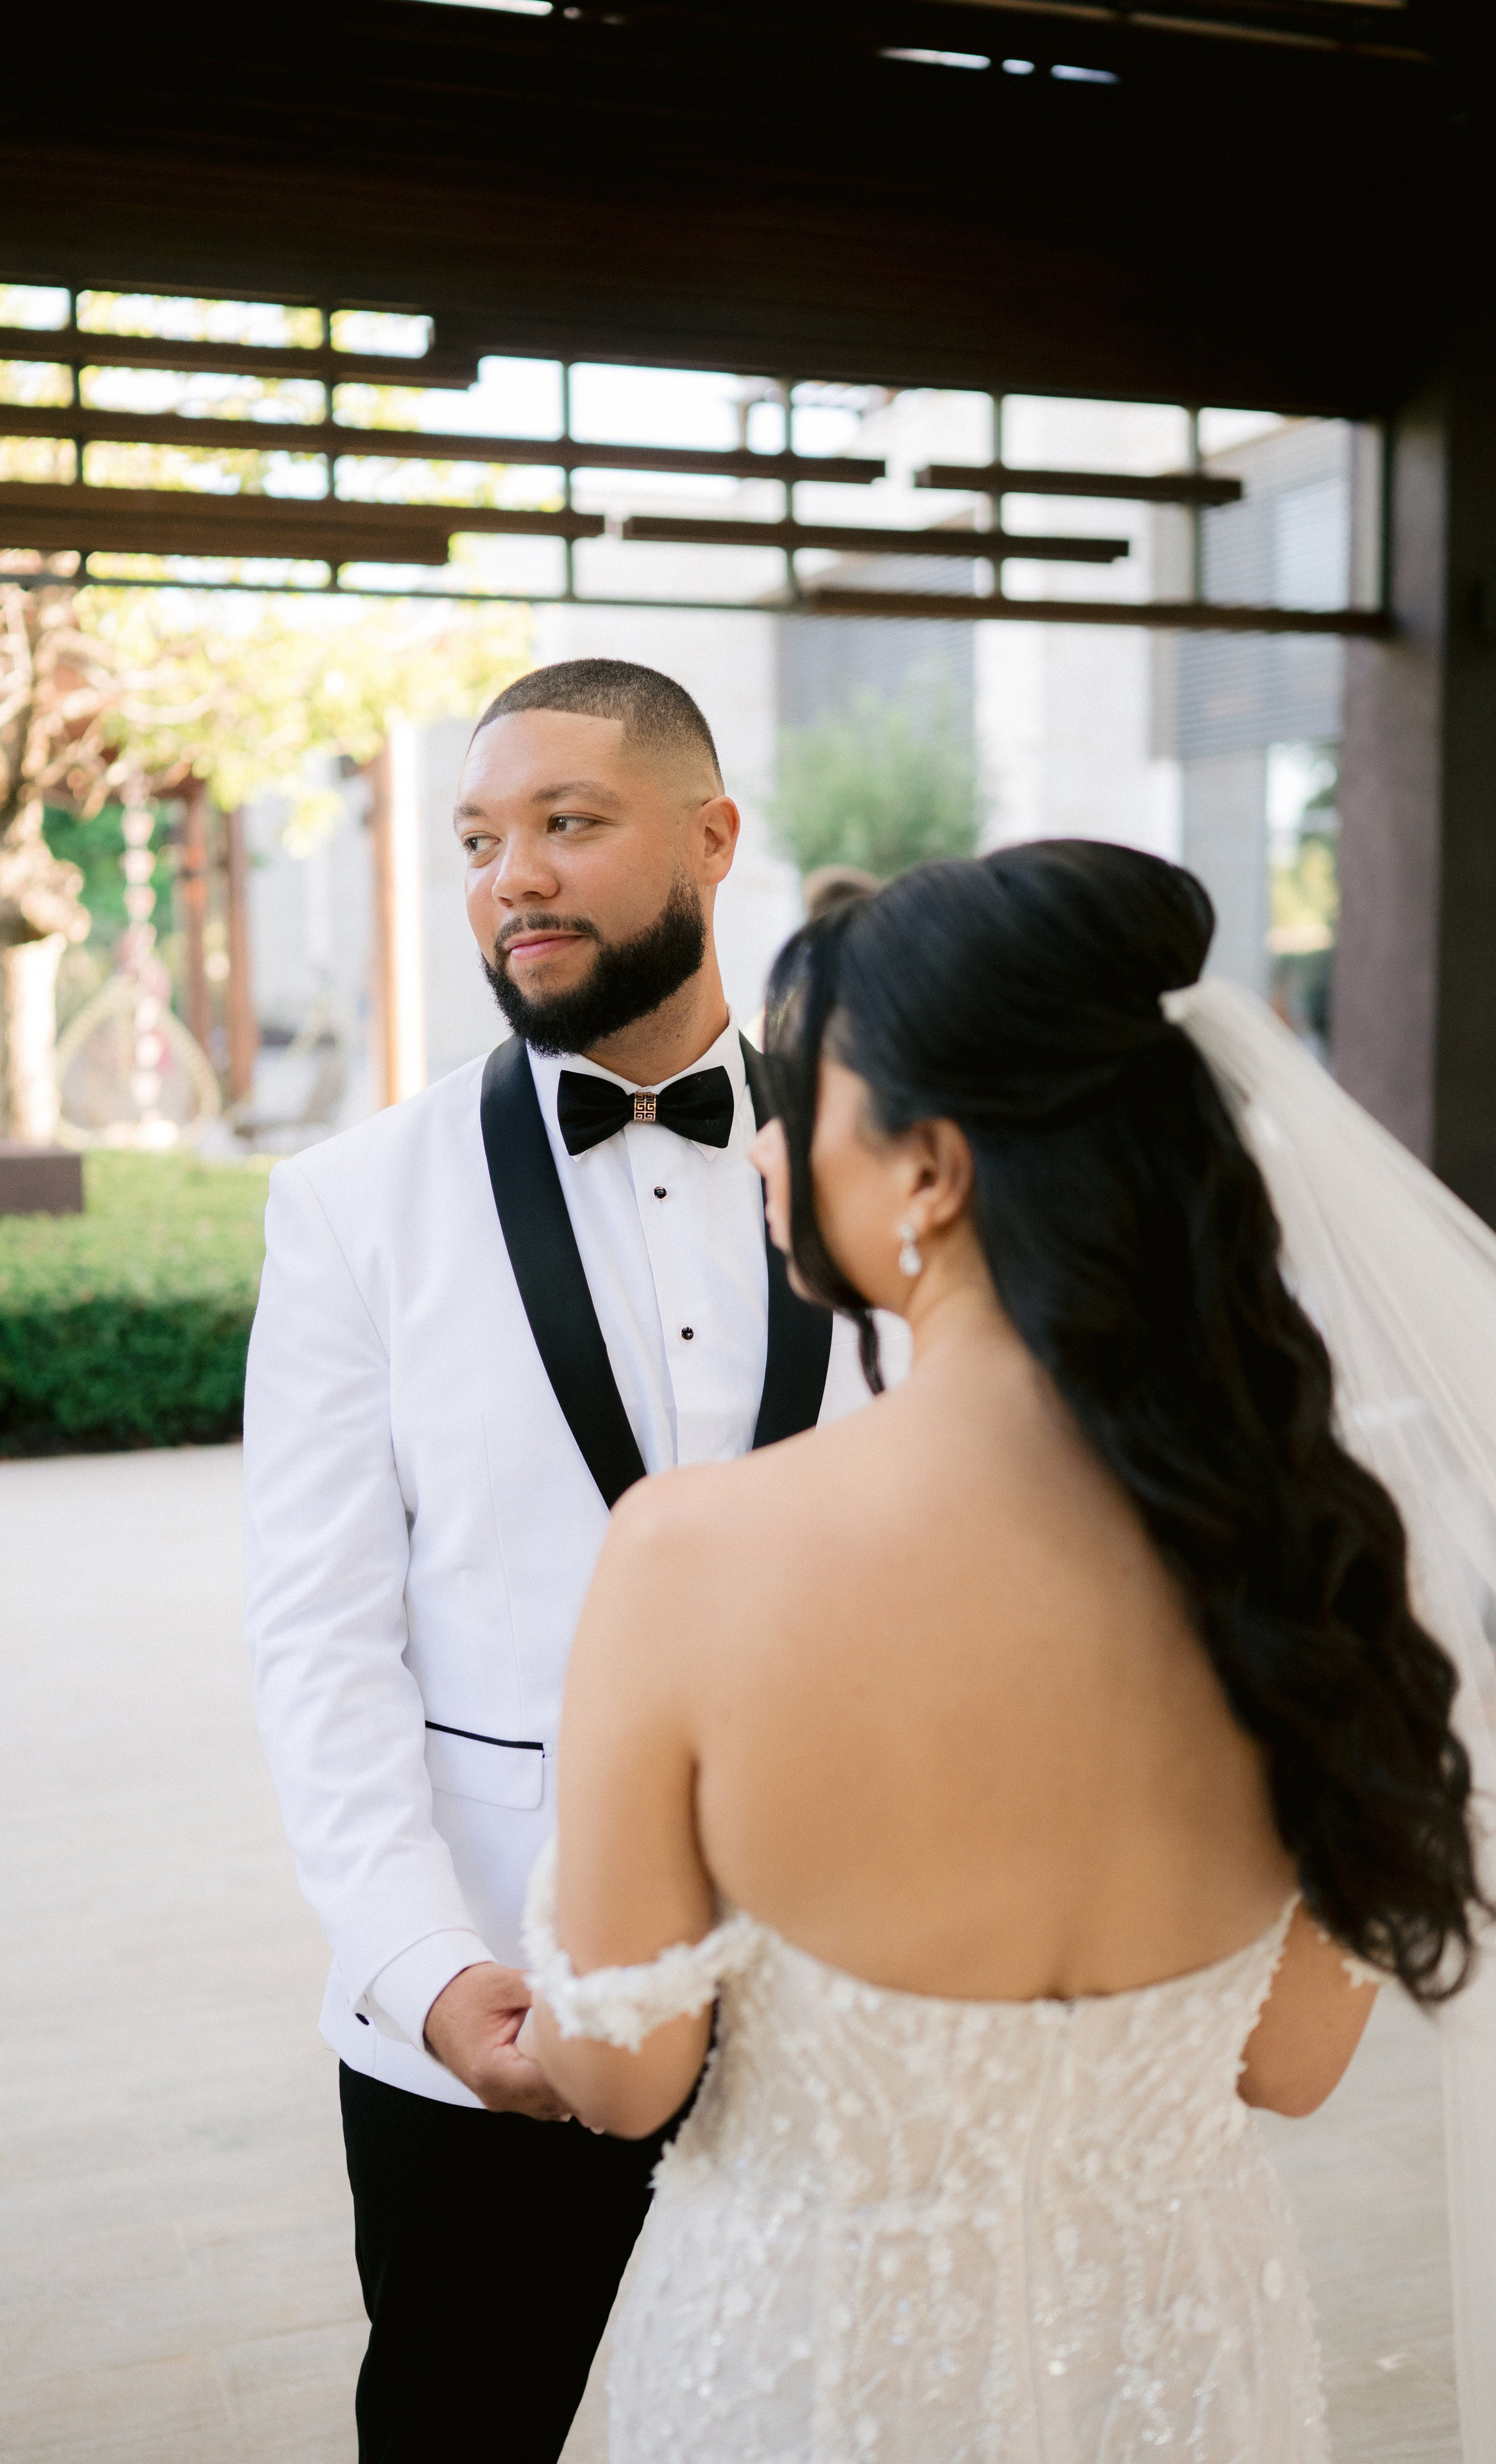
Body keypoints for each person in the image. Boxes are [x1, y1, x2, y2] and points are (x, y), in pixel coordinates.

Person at [523, 840, 1494, 2462]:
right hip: (1179, 2372)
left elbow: (623, 2079)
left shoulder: (690, 1556)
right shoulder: (1315, 1562)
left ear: (930, 1171)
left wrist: (542, 1992)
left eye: (801, 1094)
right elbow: (1289, 2065)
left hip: (813, 2379)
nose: (763, 1146)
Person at [242, 659, 887, 2463]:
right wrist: (426, 1971)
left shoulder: (881, 1161)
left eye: (567, 824)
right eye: (475, 841)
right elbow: (318, 1638)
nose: (509, 876)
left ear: (712, 838)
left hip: (841, 1986)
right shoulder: (352, 1203)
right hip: (495, 2009)